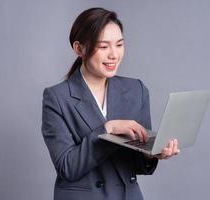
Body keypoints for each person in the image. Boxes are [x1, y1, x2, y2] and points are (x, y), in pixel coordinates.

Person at [41, 7, 180, 200]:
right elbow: (68, 167)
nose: (114, 55)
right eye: (104, 47)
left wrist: (152, 154)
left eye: (119, 44)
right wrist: (107, 129)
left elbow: (136, 164)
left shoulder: (136, 90)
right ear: (79, 48)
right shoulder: (57, 97)